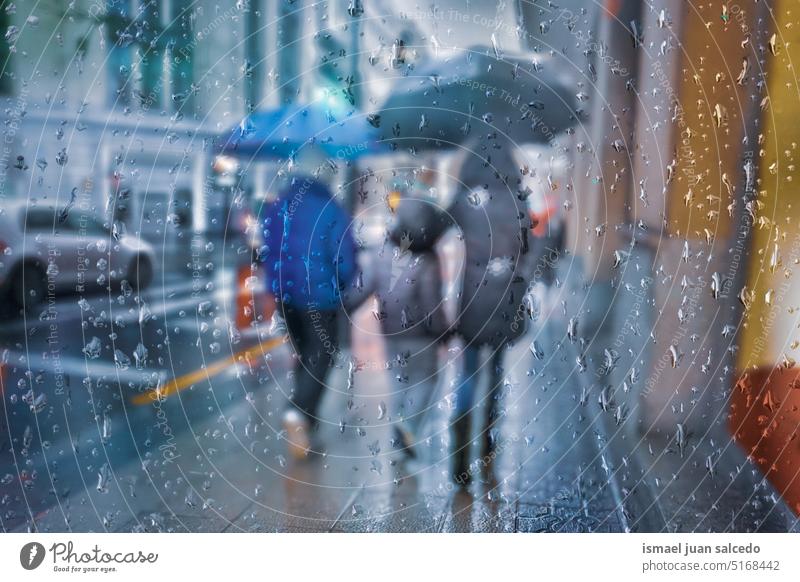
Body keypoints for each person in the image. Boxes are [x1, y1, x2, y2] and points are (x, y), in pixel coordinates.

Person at [448, 138, 536, 485]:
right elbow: (529, 252)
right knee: (496, 374)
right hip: (505, 302)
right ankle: (486, 442)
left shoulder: (466, 202)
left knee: (467, 374)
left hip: (472, 300)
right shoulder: (518, 204)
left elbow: (431, 228)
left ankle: (458, 456)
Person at [261, 145, 356, 459]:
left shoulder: (279, 205)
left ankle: (305, 425)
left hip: (285, 295)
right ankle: (298, 411)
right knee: (322, 355)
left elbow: (268, 249)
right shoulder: (331, 208)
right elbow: (343, 258)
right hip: (320, 297)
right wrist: (343, 283)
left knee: (304, 354)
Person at [367, 168, 451, 458]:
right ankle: (408, 426)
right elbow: (431, 302)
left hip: (390, 329)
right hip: (421, 336)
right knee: (426, 381)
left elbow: (365, 286)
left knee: (399, 380)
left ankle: (399, 428)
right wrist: (443, 330)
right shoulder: (427, 258)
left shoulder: (384, 250)